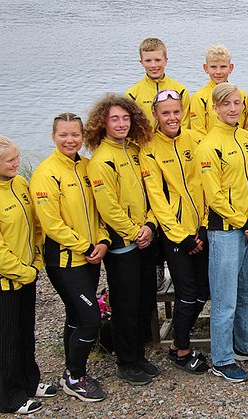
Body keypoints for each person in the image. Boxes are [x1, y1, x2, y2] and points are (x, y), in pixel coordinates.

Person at [30, 113, 110, 402]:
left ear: (82, 136)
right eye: (63, 135)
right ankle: (74, 377)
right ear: (53, 137)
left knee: (76, 318)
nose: (69, 140)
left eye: (75, 135)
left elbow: (99, 210)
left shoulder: (87, 167)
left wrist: (102, 240)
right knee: (90, 318)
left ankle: (72, 369)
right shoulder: (45, 174)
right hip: (65, 261)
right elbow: (51, 225)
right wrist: (86, 246)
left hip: (91, 256)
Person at [196, 83, 248, 383]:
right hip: (226, 232)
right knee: (226, 299)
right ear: (215, 108)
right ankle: (222, 359)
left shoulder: (247, 138)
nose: (232, 108)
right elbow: (213, 195)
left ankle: (246, 345)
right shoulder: (208, 145)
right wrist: (243, 221)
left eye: (237, 103)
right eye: (225, 104)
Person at [84, 95, 159, 386]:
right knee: (125, 304)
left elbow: (150, 190)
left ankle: (138, 353)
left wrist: (150, 226)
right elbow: (108, 207)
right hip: (122, 244)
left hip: (144, 237)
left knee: (144, 300)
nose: (121, 124)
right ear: (103, 122)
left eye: (126, 118)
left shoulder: (134, 150)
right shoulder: (101, 159)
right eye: (115, 119)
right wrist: (134, 232)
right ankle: (125, 361)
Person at [0, 136, 55, 414]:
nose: (17, 163)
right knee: (8, 337)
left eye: (17, 157)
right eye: (10, 160)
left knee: (26, 331)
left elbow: (35, 225)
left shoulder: (20, 184)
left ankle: (29, 381)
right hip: (2, 279)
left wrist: (36, 261)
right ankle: (9, 397)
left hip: (27, 271)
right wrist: (22, 272)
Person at [140, 90, 210, 374]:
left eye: (176, 112)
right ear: (155, 115)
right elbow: (157, 198)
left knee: (203, 292)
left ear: (183, 112)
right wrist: (181, 235)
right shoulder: (149, 149)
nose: (172, 117)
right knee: (187, 293)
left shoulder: (194, 139)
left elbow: (205, 183)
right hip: (175, 236)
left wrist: (203, 225)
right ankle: (181, 350)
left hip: (200, 229)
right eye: (165, 113)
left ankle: (176, 344)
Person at [126, 38, 190, 129]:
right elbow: (131, 127)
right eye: (148, 61)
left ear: (166, 60)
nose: (153, 65)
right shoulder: (132, 94)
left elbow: (185, 125)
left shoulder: (181, 91)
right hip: (146, 142)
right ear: (141, 62)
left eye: (158, 60)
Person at [190, 44, 248, 135]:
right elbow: (197, 132)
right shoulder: (199, 98)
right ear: (206, 68)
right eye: (213, 67)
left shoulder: (241, 95)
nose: (218, 72)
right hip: (212, 147)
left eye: (223, 67)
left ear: (230, 68)